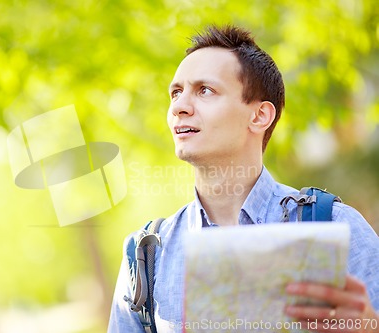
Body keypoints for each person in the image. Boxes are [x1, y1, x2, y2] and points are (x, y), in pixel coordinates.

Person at [108, 24, 379, 332]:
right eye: (176, 93)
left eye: (204, 90)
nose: (179, 107)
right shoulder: (145, 255)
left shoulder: (336, 228)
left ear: (260, 115)